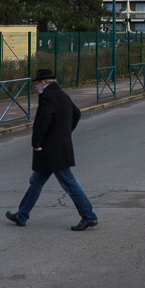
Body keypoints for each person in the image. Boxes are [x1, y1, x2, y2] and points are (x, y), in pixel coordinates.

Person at [6, 69, 98, 231]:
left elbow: (43, 120)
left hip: (51, 150)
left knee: (69, 183)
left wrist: (36, 141)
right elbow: (76, 114)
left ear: (43, 83)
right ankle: (22, 215)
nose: (36, 89)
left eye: (36, 85)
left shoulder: (48, 96)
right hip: (56, 149)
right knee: (36, 181)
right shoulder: (62, 95)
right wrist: (65, 132)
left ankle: (89, 216)